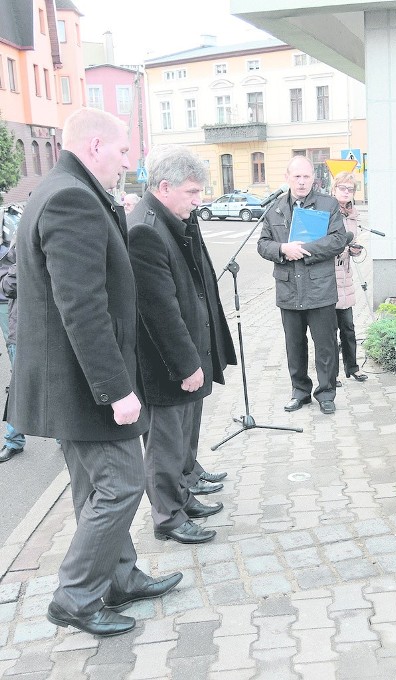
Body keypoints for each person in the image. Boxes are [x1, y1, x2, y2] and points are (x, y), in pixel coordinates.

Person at [7, 108, 182, 637]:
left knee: (93, 487)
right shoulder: (71, 198)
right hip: (86, 384)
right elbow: (80, 306)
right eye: (125, 151)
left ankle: (119, 578)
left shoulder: (64, 189)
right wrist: (117, 390)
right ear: (98, 145)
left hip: (71, 382)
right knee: (121, 483)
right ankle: (76, 596)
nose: (129, 162)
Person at [128, 145, 236, 545]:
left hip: (186, 355)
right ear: (165, 186)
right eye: (193, 192)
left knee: (181, 439)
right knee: (164, 445)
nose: (199, 199)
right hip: (165, 364)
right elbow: (159, 310)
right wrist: (187, 364)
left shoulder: (171, 218)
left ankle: (182, 497)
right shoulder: (145, 229)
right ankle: (167, 517)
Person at [257, 155, 348, 414]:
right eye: (296, 176)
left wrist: (304, 250)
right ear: (287, 178)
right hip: (288, 290)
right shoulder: (274, 208)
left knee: (326, 344)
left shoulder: (327, 205)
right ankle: (300, 391)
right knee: (294, 345)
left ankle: (326, 392)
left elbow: (337, 240)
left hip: (319, 288)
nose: (301, 181)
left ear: (313, 179)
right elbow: (263, 244)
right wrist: (283, 249)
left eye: (306, 176)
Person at [332, 172, 368, 385]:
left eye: (350, 189)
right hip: (327, 277)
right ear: (334, 189)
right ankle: (331, 374)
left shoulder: (353, 214)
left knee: (348, 327)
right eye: (342, 188)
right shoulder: (326, 211)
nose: (346, 192)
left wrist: (354, 249)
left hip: (345, 275)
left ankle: (352, 367)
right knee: (328, 331)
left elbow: (351, 238)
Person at [0, 241, 26, 462]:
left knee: (55, 382)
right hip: (21, 323)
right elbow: (8, 285)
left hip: (50, 325)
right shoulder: (17, 244)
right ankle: (14, 440)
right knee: (18, 382)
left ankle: (62, 438)